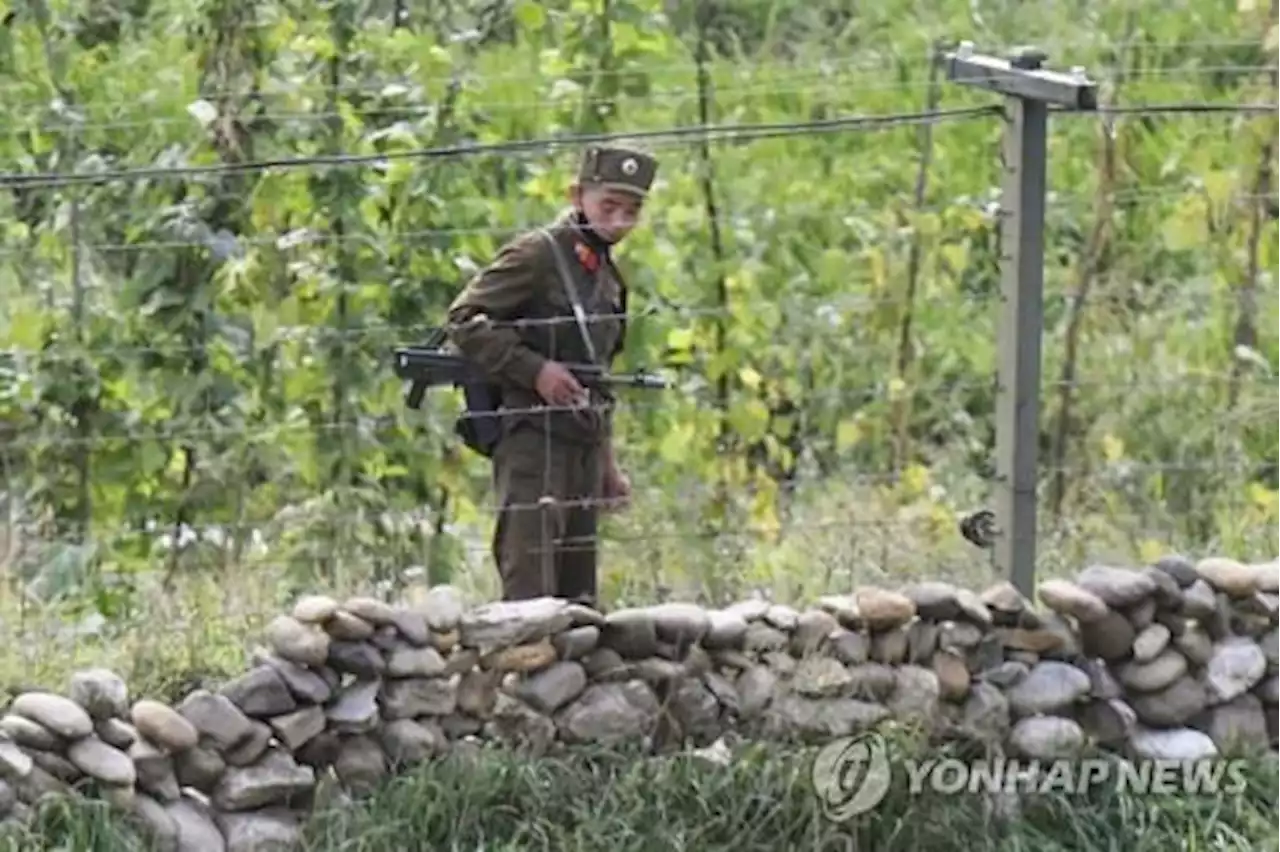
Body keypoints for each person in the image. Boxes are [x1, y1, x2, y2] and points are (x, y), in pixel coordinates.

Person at [445, 144, 658, 609]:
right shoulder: (539, 254)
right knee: (529, 596)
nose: (619, 221)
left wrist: (607, 465)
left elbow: (599, 379)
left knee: (580, 601)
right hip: (532, 441)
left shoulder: (609, 279)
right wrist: (536, 370)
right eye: (609, 206)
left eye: (632, 211)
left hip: (580, 443)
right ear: (577, 195)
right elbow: (464, 319)